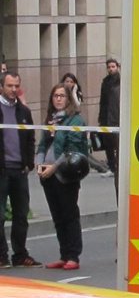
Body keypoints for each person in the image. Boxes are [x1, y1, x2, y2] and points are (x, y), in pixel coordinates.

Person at [35, 83, 89, 270]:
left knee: (69, 214)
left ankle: (73, 255)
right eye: (55, 96)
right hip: (48, 175)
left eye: (62, 96)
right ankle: (64, 254)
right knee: (57, 216)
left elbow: (71, 150)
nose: (58, 99)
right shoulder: (51, 120)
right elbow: (42, 145)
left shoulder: (75, 121)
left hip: (65, 174)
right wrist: (40, 163)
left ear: (68, 99)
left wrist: (53, 167)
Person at [0, 71, 39, 267]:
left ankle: (20, 254)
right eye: (10, 86)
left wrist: (29, 163)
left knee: (21, 215)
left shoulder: (23, 111)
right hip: (2, 170)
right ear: (1, 87)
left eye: (16, 86)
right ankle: (1, 255)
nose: (14, 89)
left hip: (19, 170)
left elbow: (30, 138)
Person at [98, 58, 120, 187]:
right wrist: (101, 118)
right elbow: (103, 101)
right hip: (106, 117)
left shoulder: (120, 81)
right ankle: (112, 167)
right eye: (109, 67)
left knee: (117, 144)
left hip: (115, 117)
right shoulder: (105, 82)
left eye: (113, 66)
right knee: (108, 144)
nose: (111, 69)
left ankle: (117, 167)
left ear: (117, 67)